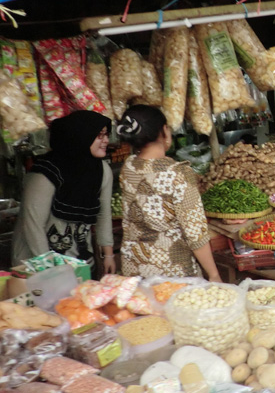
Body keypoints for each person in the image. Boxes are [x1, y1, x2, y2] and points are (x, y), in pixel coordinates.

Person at [116, 105, 221, 281]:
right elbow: (195, 234)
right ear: (165, 131)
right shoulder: (178, 174)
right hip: (171, 270)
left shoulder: (129, 166)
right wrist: (214, 274)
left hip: (134, 266)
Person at [12, 111, 115, 273]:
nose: (106, 141)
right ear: (80, 136)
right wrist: (51, 271)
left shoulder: (102, 171)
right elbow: (33, 226)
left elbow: (104, 213)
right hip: (38, 267)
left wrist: (108, 255)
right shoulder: (45, 174)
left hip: (80, 265)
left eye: (106, 135)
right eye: (99, 136)